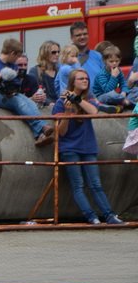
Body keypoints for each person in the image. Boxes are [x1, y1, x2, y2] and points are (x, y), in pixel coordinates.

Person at [52, 69, 125, 226]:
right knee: (78, 185)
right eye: (81, 79)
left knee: (96, 184)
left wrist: (77, 100)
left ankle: (110, 215)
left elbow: (94, 112)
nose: (85, 80)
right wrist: (67, 112)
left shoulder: (89, 99)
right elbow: (61, 132)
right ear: (73, 82)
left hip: (88, 147)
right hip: (69, 148)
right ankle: (91, 217)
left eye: (86, 78)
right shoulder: (60, 103)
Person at [0, 39, 55, 147]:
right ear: (12, 53)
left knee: (28, 102)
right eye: (17, 56)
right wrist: (0, 76)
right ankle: (41, 127)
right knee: (17, 102)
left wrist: (13, 87)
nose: (17, 60)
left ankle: (39, 135)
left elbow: (16, 84)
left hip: (8, 93)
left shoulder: (13, 66)